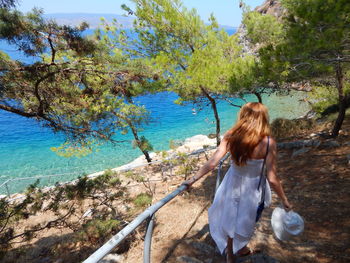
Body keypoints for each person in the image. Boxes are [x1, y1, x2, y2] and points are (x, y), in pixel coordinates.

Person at [183, 102, 292, 263]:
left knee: (230, 215)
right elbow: (272, 177)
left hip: (232, 182)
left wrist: (191, 180)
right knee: (248, 217)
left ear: (243, 116)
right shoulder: (268, 143)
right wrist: (284, 200)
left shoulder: (230, 136)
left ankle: (232, 252)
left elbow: (212, 162)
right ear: (263, 118)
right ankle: (237, 249)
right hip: (253, 188)